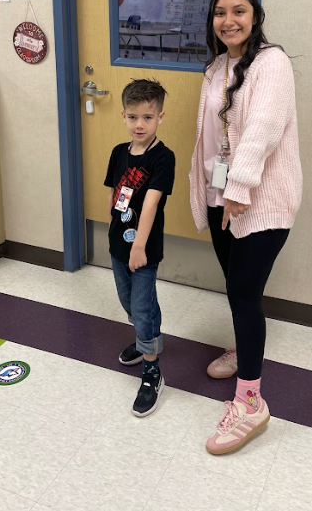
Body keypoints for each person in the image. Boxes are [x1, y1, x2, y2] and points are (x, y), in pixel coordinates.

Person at [190, 0, 302, 454]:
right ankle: (245, 346)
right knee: (238, 287)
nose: (228, 21)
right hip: (224, 196)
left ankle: (251, 401)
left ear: (255, 14)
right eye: (220, 12)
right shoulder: (217, 66)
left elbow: (263, 131)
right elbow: (210, 138)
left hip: (262, 200)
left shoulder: (271, 63)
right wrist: (212, 191)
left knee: (242, 291)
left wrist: (239, 188)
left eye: (238, 11)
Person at [105, 78, 175, 417]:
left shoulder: (163, 158)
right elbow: (113, 193)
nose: (139, 124)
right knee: (130, 301)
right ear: (123, 115)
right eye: (133, 117)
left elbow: (149, 205)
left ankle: (152, 370)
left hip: (143, 250)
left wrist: (139, 247)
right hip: (118, 244)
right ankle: (146, 337)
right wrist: (112, 230)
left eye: (147, 117)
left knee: (143, 307)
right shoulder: (119, 152)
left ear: (160, 117)